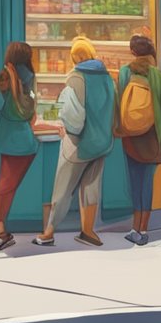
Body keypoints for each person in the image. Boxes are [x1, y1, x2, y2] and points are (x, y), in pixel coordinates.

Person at [35, 38, 116, 247]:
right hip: (102, 143)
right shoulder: (107, 77)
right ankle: (88, 232)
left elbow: (72, 116)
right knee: (91, 188)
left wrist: (55, 119)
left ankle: (49, 232)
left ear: (74, 57)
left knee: (63, 188)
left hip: (79, 143)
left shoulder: (76, 78)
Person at [118, 35, 161, 245]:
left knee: (135, 182)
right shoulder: (158, 76)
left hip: (131, 137)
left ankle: (134, 227)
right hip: (152, 138)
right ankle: (144, 229)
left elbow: (119, 103)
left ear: (133, 52)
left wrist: (121, 128)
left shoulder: (125, 72)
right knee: (147, 183)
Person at [0, 41, 38, 253]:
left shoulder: (5, 76)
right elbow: (31, 111)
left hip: (9, 142)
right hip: (26, 141)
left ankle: (1, 232)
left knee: (3, 188)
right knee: (10, 187)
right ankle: (4, 230)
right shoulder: (30, 78)